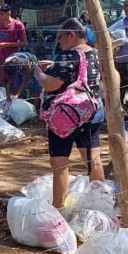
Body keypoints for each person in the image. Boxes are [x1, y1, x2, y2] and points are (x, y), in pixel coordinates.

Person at [34, 18, 103, 208]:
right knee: (93, 159)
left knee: (60, 163)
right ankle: (101, 203)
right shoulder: (96, 53)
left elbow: (51, 83)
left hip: (66, 114)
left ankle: (58, 208)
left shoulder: (70, 56)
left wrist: (37, 72)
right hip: (92, 110)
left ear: (72, 35)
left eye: (60, 37)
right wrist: (55, 65)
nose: (59, 42)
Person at [0, 4, 27, 87]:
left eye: (1, 14)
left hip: (13, 60)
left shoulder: (18, 25)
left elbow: (24, 43)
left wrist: (6, 45)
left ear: (8, 13)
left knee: (13, 82)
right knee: (1, 81)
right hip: (1, 59)